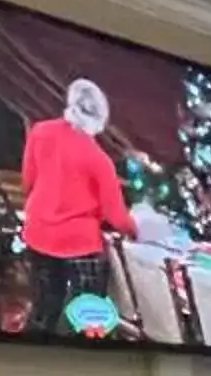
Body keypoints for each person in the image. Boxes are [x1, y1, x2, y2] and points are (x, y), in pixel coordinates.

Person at [19, 78, 135, 337]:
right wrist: (136, 230)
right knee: (90, 314)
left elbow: (28, 180)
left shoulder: (40, 132)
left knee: (43, 306)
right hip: (79, 244)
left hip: (38, 233)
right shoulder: (98, 160)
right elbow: (115, 216)